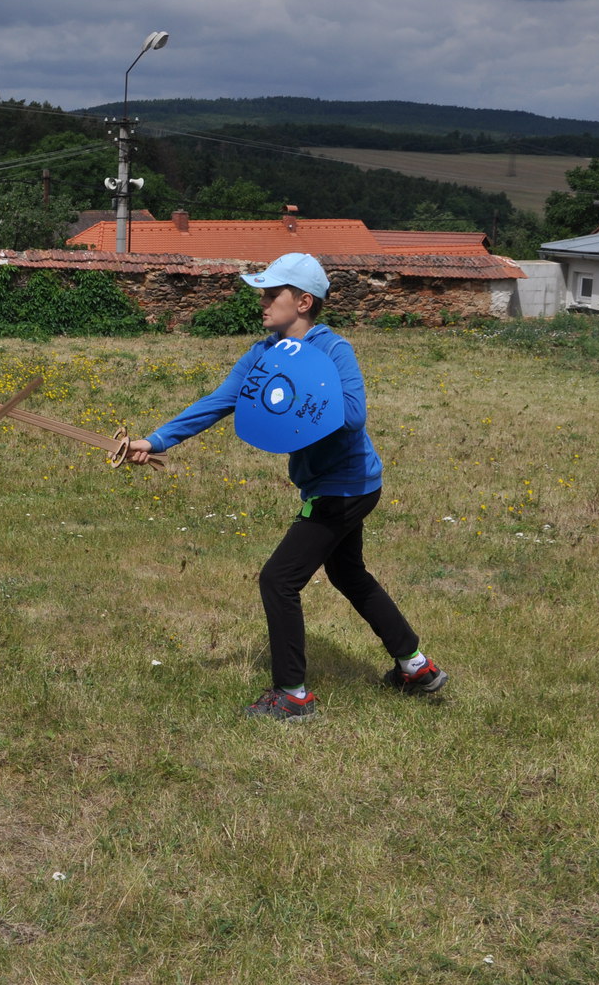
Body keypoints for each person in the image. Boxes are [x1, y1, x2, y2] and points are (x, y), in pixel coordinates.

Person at [125, 253, 448, 722]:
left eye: (271, 294)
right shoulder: (263, 353)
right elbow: (221, 400)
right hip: (331, 485)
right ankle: (416, 668)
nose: (262, 303)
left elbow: (353, 415)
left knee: (279, 580)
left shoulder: (333, 349)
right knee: (348, 574)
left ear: (303, 302)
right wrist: (155, 440)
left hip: (346, 487)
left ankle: (292, 696)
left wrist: (303, 381)